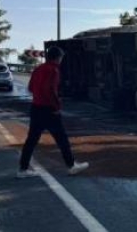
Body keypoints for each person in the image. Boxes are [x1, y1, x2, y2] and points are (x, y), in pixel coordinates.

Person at [17, 46, 89, 178]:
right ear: (58, 58)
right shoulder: (54, 70)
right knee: (62, 139)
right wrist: (56, 106)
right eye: (61, 58)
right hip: (49, 110)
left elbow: (31, 88)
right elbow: (50, 90)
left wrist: (39, 97)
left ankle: (23, 169)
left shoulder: (38, 69)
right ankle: (71, 165)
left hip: (36, 108)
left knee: (31, 140)